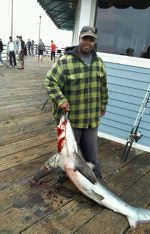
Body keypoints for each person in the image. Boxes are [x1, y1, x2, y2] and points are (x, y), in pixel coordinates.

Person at [45, 26, 108, 180]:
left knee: (91, 152)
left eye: (91, 39)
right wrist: (61, 100)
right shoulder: (65, 61)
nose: (88, 42)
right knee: (68, 152)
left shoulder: (99, 62)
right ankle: (64, 175)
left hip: (91, 117)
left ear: (94, 42)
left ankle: (95, 178)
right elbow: (50, 81)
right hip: (70, 120)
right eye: (85, 38)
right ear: (79, 39)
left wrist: (103, 104)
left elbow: (103, 86)